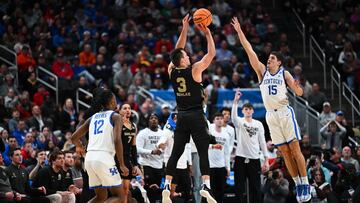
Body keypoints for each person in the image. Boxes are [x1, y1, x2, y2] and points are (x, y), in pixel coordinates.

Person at [231, 17, 311, 202]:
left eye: (272, 59)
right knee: (284, 152)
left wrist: (298, 87)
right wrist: (239, 32)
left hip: (284, 112)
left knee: (295, 150)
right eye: (268, 59)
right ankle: (298, 182)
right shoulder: (262, 72)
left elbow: (298, 92)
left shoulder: (285, 73)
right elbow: (249, 50)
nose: (269, 61)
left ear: (279, 63)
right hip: (270, 116)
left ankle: (305, 183)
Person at [162, 14, 216, 203]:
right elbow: (211, 55)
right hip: (196, 115)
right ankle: (206, 187)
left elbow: (178, 49)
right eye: (186, 55)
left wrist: (184, 28)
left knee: (176, 152)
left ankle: (167, 185)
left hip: (181, 116)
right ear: (182, 60)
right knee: (202, 152)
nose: (188, 55)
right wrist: (208, 34)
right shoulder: (195, 70)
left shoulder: (171, 70)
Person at [70, 88, 129, 203]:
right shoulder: (116, 117)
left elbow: (73, 137)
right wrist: (122, 164)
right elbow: (117, 140)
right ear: (112, 101)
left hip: (90, 159)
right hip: (104, 158)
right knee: (120, 197)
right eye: (115, 99)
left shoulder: (93, 117)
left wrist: (80, 146)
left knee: (101, 197)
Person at [231, 89, 268, 203]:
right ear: (242, 111)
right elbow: (233, 117)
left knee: (255, 187)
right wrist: (236, 101)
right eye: (246, 109)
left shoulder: (259, 124)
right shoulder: (239, 122)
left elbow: (262, 141)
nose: (248, 111)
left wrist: (266, 159)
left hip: (254, 159)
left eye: (250, 109)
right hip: (240, 158)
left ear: (253, 111)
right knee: (239, 187)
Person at [119, 103, 141, 203]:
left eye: (129, 108)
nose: (128, 110)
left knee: (126, 189)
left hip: (127, 159)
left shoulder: (133, 126)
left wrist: (135, 165)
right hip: (116, 158)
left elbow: (134, 147)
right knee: (117, 190)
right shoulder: (117, 124)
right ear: (120, 111)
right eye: (125, 108)